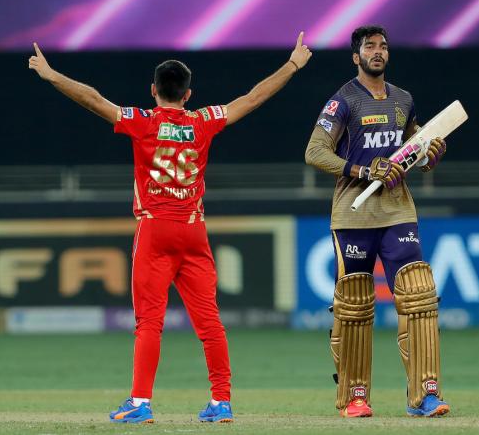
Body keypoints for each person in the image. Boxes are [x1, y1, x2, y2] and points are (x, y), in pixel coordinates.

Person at [29, 33, 312, 424]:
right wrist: (293, 63)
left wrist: (51, 75)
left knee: (149, 321)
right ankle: (221, 402)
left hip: (155, 229)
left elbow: (93, 99)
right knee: (209, 321)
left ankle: (141, 402)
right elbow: (253, 98)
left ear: (153, 90)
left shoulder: (142, 122)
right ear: (188, 94)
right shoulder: (203, 121)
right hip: (194, 231)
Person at [304, 25, 449, 418]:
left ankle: (424, 395)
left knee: (418, 294)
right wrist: (364, 171)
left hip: (398, 210)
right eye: (369, 46)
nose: (378, 51)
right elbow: (315, 152)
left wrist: (430, 152)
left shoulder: (404, 100)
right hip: (353, 213)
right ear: (356, 57)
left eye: (383, 45)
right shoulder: (343, 101)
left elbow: (416, 148)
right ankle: (355, 396)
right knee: (353, 304)